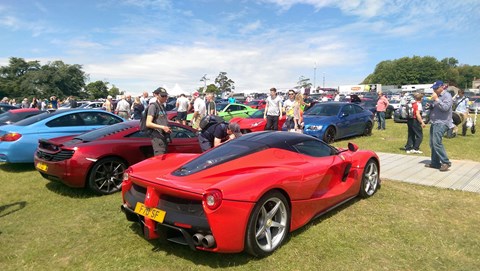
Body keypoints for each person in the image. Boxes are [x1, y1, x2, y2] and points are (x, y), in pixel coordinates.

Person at [425, 80, 452, 172]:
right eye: (433, 88)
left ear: (442, 87)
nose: (434, 90)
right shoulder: (436, 96)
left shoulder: (447, 96)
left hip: (442, 122)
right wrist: (430, 105)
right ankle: (435, 162)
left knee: (437, 142)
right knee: (432, 143)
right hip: (434, 121)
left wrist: (436, 99)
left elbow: (445, 108)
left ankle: (445, 162)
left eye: (436, 88)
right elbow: (435, 106)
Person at [146, 87, 172, 155]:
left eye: (166, 95)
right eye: (162, 96)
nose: (165, 97)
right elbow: (148, 123)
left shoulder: (162, 106)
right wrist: (163, 127)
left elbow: (163, 120)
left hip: (164, 136)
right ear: (156, 95)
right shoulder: (153, 106)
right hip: (158, 137)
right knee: (160, 158)